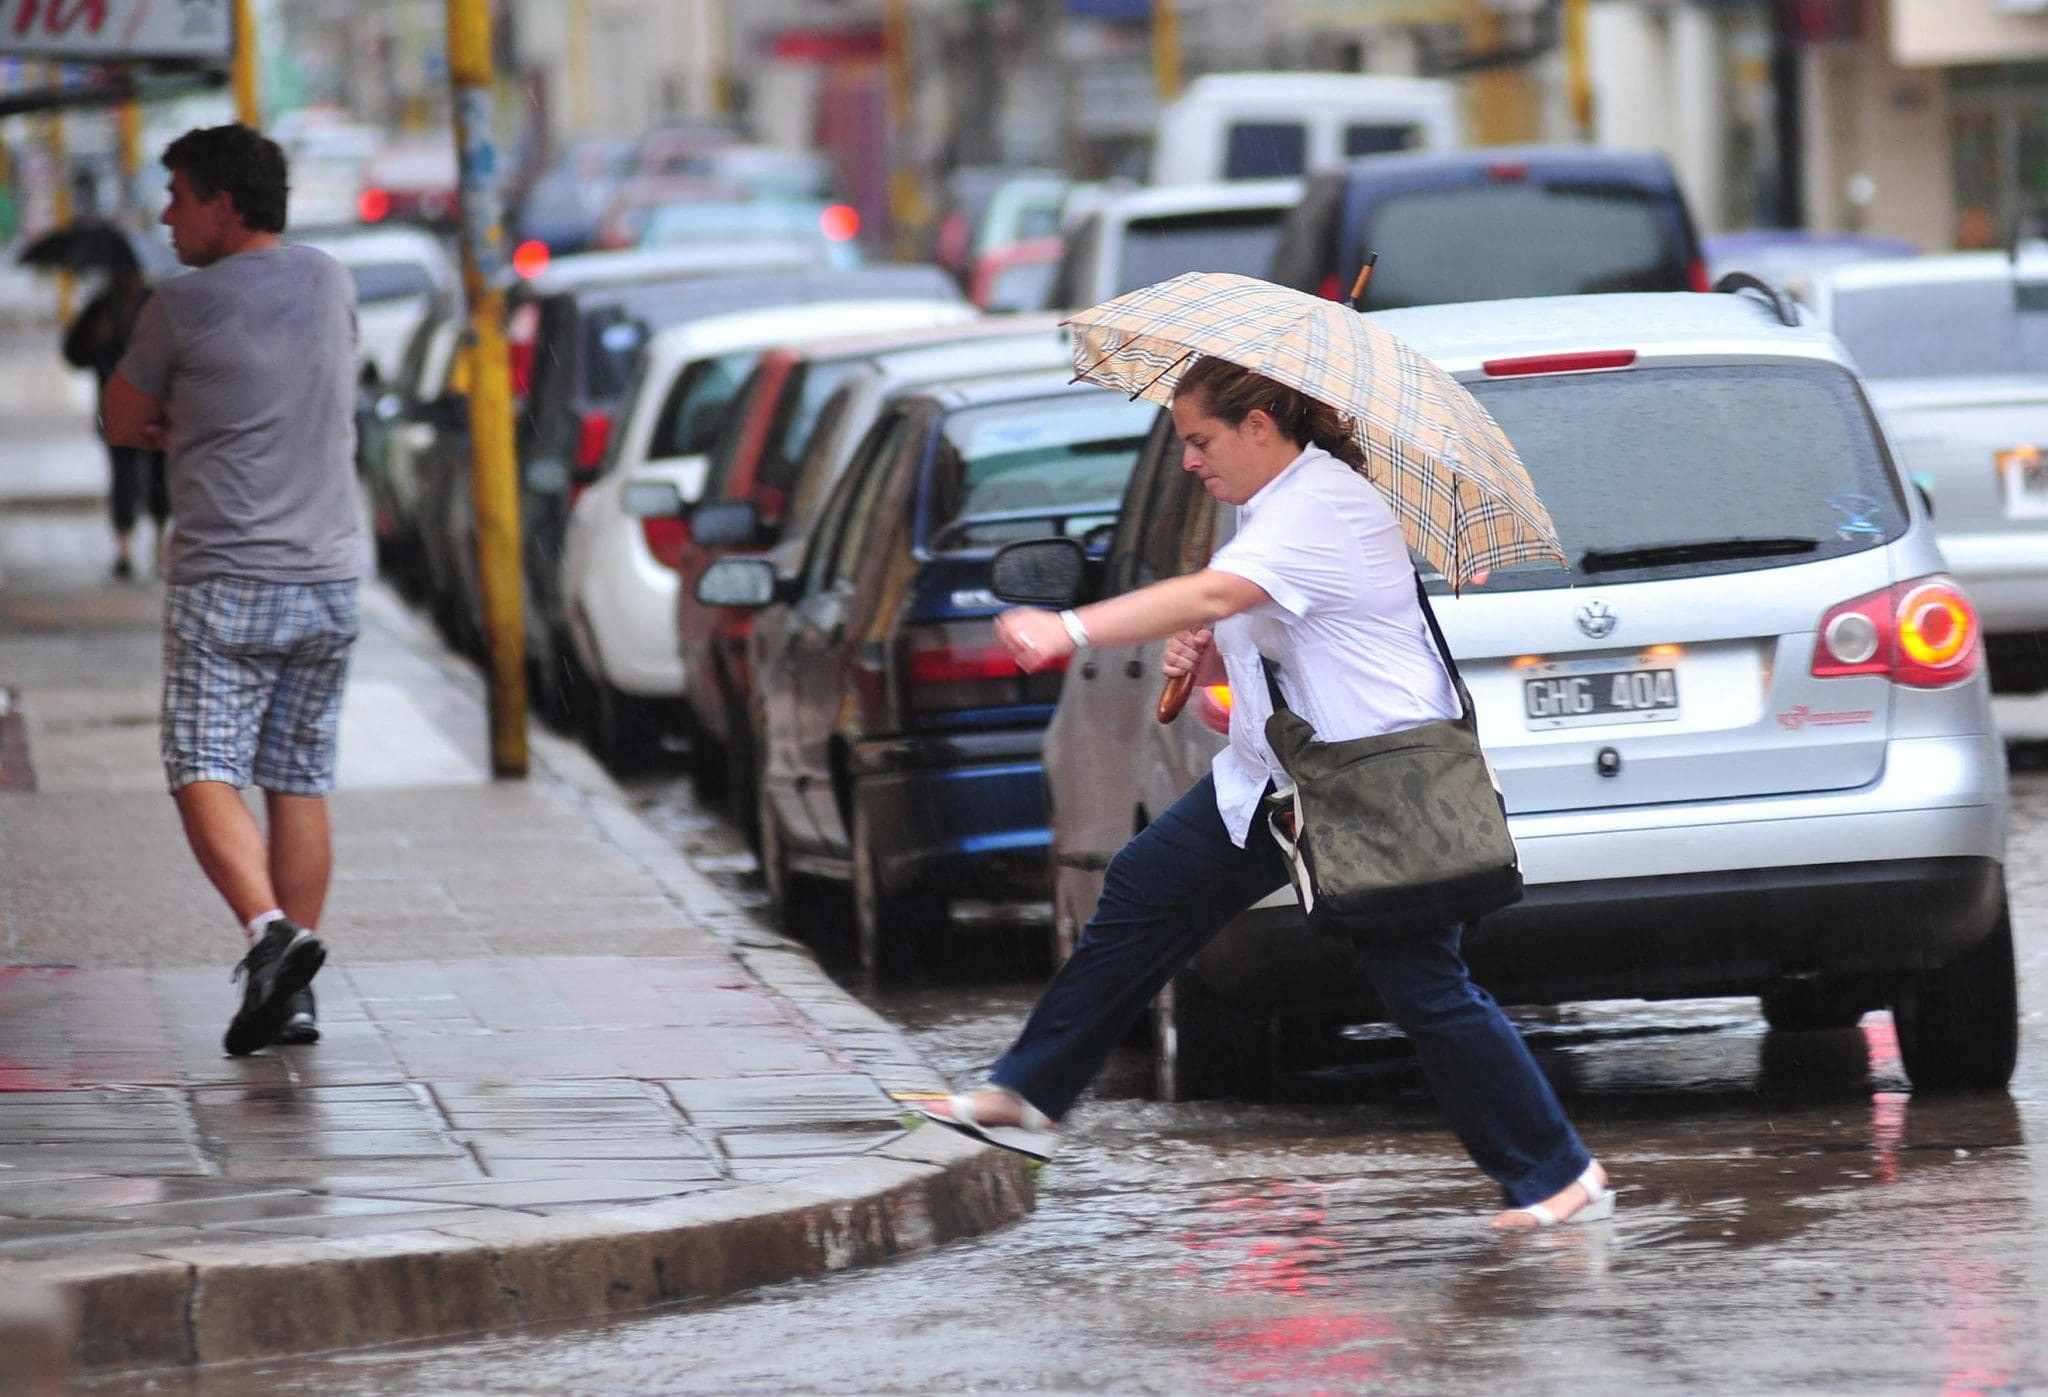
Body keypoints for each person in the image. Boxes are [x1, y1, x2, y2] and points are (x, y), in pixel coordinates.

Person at [924, 356, 1613, 1229]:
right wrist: (1221, 657)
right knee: (1142, 886)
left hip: (1373, 786)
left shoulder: (1319, 504)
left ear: (1259, 427)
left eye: (1200, 440)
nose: (1188, 461)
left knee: (1424, 986)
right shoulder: (1270, 506)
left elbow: (1217, 590)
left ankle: (1559, 1174)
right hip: (1277, 782)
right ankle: (1028, 1091)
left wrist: (1069, 628)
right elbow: (1281, 634)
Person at [103, 124, 363, 1056]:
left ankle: (270, 931)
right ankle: (288, 998)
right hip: (330, 578)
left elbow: (124, 419)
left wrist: (185, 425)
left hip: (228, 579)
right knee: (297, 778)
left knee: (201, 763)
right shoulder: (331, 278)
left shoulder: (181, 305)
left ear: (225, 202)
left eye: (178, 195)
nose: (166, 215)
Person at [63, 264, 170, 578]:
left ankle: (159, 547)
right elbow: (73, 353)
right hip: (116, 407)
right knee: (123, 477)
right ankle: (125, 548)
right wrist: (97, 341)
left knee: (159, 478)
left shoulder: (158, 305)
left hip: (157, 407)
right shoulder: (100, 309)